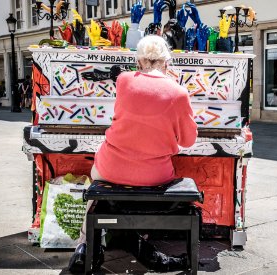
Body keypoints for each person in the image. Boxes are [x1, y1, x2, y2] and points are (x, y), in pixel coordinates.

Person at [68, 35, 198, 272]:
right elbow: (189, 141)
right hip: (154, 176)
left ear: (138, 61)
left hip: (112, 167)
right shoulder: (179, 92)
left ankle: (86, 246)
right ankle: (140, 243)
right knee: (135, 183)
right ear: (167, 62)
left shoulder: (125, 81)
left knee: (98, 179)